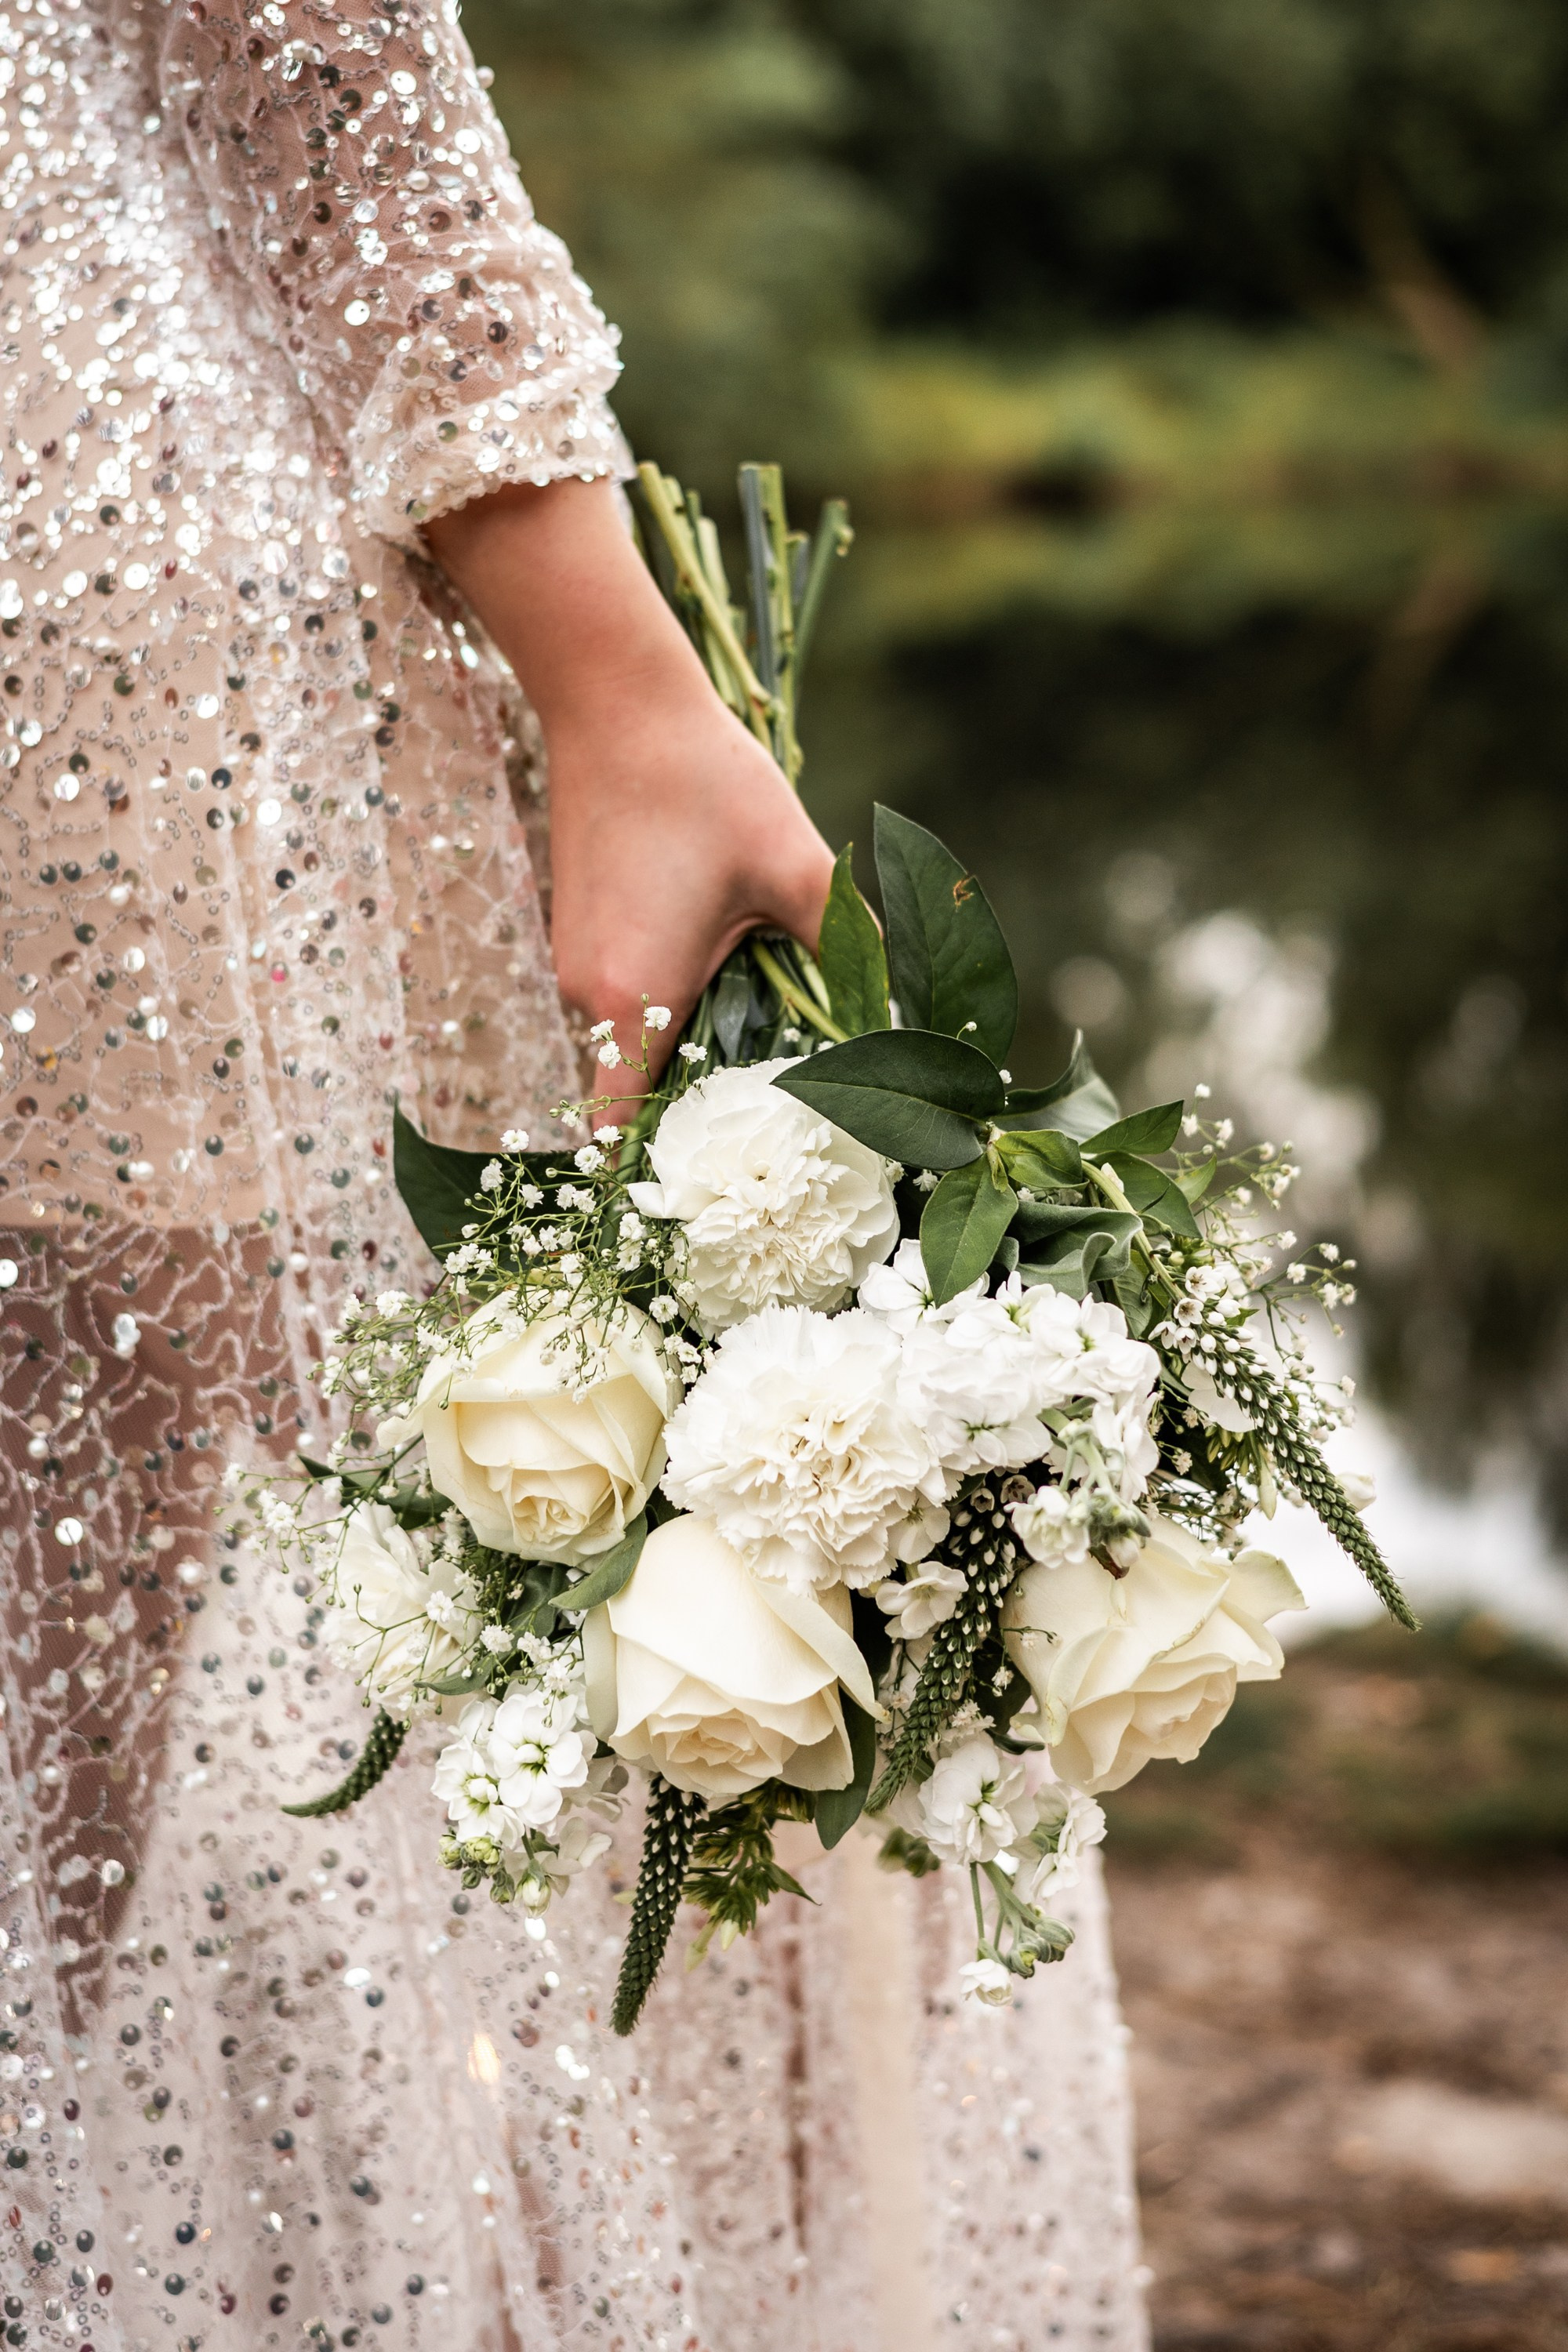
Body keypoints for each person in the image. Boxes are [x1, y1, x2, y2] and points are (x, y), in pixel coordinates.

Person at [0, 0, 1149, 2339]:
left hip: (87, 571)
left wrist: (618, 676)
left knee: (78, 1819)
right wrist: (606, 654)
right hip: (91, 561)